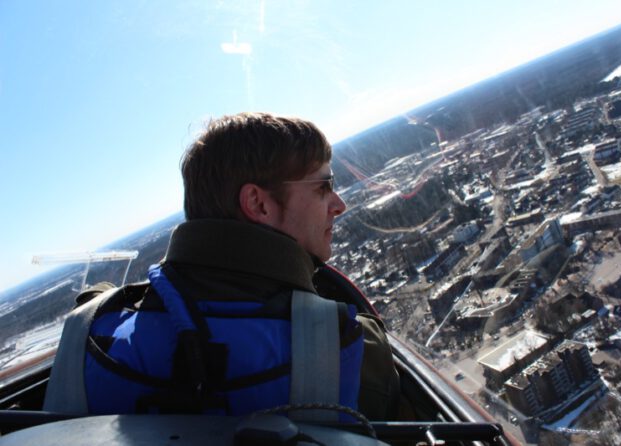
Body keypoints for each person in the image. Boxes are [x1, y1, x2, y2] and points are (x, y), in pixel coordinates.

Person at [44, 112, 400, 420]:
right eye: (324, 186)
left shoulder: (85, 337)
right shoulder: (348, 345)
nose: (339, 205)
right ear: (258, 204)